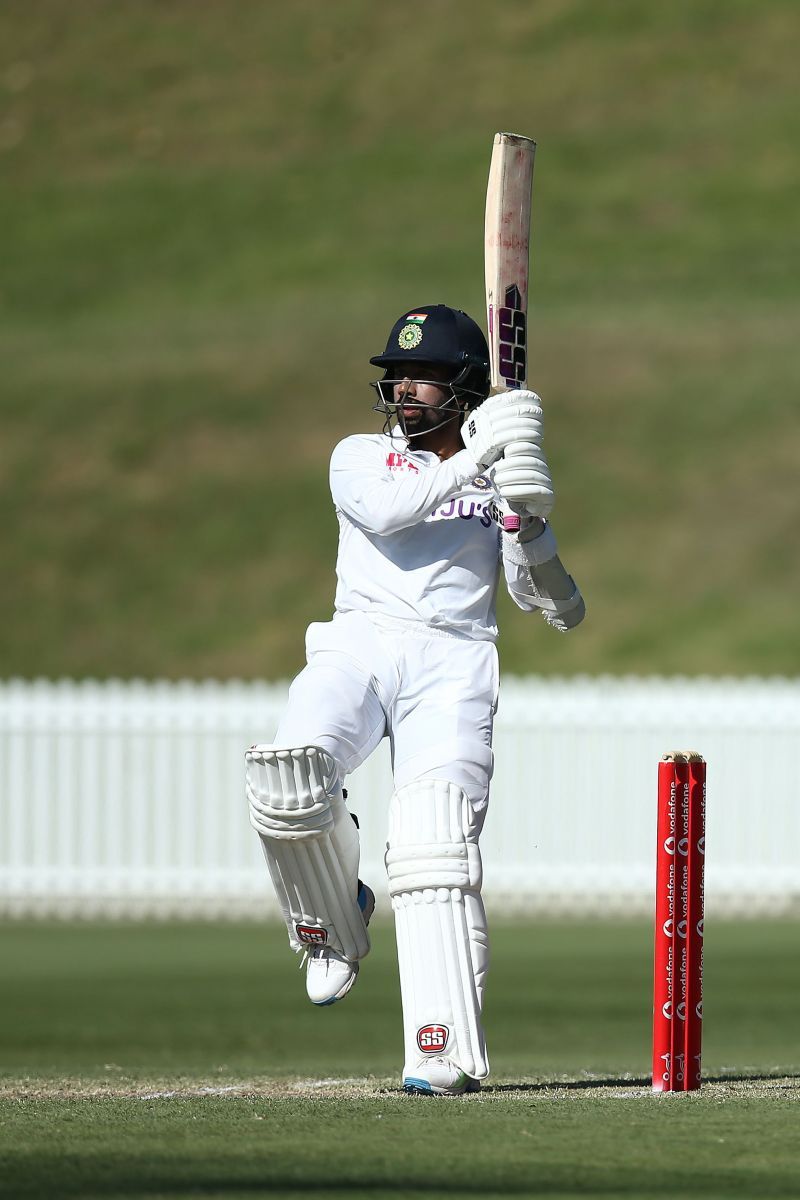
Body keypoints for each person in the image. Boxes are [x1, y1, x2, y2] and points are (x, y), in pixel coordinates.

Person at [245, 304, 584, 1095]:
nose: (403, 388)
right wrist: (478, 463)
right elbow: (392, 511)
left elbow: (557, 606)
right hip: (360, 638)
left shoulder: (496, 474)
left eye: (422, 376)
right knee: (286, 774)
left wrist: (529, 521)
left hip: (455, 662)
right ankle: (334, 914)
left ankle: (444, 1051)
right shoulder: (359, 455)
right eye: (396, 376)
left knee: (434, 847)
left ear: (463, 386)